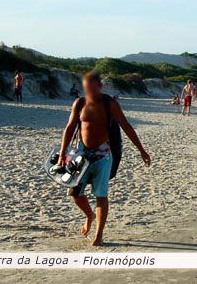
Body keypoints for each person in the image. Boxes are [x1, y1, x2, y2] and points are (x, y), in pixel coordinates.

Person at [58, 72, 150, 246]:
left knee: (101, 195)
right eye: (86, 87)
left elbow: (126, 126)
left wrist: (141, 150)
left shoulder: (110, 104)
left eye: (92, 87)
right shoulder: (79, 103)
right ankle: (89, 216)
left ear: (99, 86)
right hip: (82, 154)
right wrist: (62, 152)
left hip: (103, 154)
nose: (89, 91)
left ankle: (99, 235)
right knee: (74, 193)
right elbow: (70, 128)